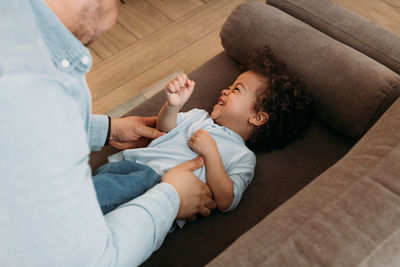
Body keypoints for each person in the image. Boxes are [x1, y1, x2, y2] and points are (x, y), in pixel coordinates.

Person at [0, 0, 216, 266]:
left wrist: (105, 130)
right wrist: (171, 198)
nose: (118, 11)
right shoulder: (35, 92)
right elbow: (91, 261)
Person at [93, 46, 312, 228]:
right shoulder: (199, 117)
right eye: (229, 86)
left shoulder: (243, 157)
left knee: (96, 218)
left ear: (257, 117)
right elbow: (163, 127)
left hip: (161, 189)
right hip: (131, 168)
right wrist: (173, 105)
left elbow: (227, 200)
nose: (225, 90)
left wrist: (212, 154)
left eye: (236, 89)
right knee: (86, 204)